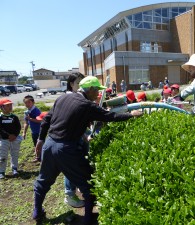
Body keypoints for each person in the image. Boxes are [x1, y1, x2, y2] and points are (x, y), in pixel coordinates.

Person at [33, 76, 143, 224]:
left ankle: (37, 211)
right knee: (88, 183)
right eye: (97, 90)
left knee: (43, 181)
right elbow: (109, 116)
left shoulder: (62, 98)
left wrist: (40, 140)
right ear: (90, 89)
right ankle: (88, 220)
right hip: (66, 149)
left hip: (49, 144)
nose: (98, 94)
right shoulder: (86, 105)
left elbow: (47, 120)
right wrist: (131, 115)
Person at [65, 72, 86, 208]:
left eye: (82, 83)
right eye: (78, 83)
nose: (80, 86)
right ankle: (69, 195)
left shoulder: (79, 97)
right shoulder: (69, 98)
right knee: (70, 167)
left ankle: (77, 187)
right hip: (69, 138)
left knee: (78, 164)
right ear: (71, 84)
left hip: (78, 136)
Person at [0, 98, 22, 179]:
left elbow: (18, 127)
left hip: (15, 139)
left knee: (15, 154)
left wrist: (15, 135)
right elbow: (0, 129)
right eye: (7, 105)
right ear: (2, 107)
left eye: (10, 105)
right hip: (3, 140)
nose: (10, 107)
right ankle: (2, 171)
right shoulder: (0, 117)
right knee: (3, 156)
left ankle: (14, 168)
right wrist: (8, 136)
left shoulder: (14, 117)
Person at [22, 95, 41, 162]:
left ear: (33, 102)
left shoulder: (36, 110)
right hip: (33, 132)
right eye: (25, 103)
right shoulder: (26, 112)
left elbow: (39, 120)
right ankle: (38, 156)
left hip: (40, 131)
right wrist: (24, 132)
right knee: (35, 144)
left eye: (29, 102)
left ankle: (39, 157)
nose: (27, 104)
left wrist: (30, 118)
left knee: (39, 144)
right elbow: (26, 123)